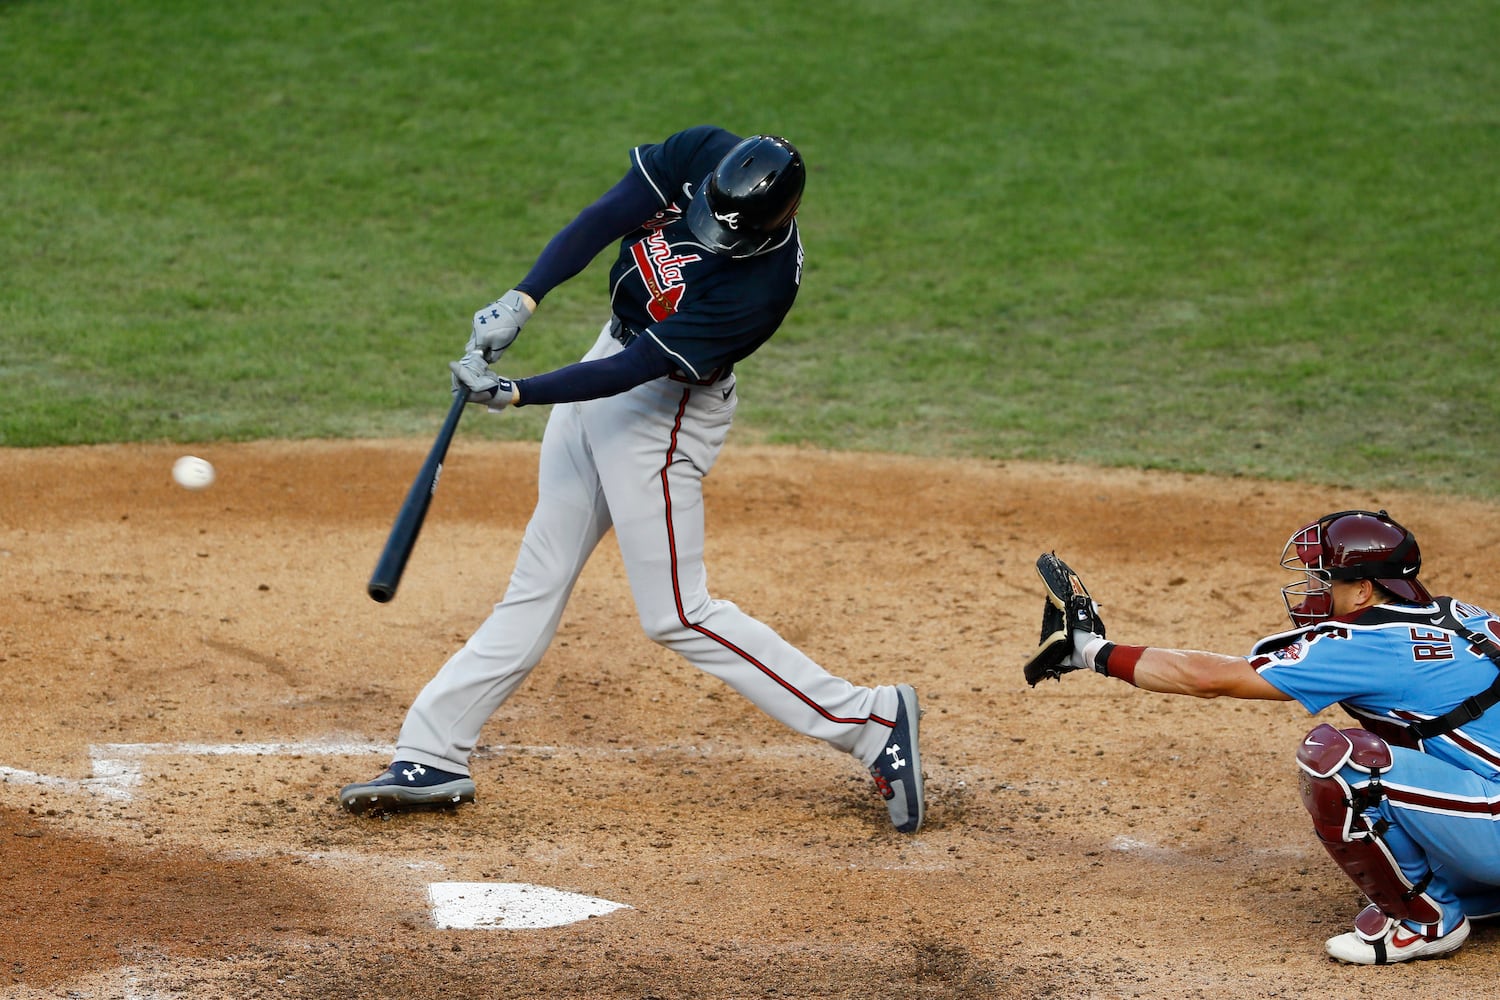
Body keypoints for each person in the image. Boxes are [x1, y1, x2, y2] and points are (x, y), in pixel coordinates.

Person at [339, 126, 924, 833]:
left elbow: (635, 369)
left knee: (678, 612)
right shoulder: (703, 153)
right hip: (604, 362)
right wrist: (522, 298)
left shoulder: (758, 291)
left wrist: (517, 393)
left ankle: (869, 719)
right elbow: (606, 217)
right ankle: (432, 752)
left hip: (662, 415)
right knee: (538, 579)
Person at [1031, 509, 1500, 964]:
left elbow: (1208, 678)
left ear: (1362, 590)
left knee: (1345, 764)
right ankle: (1479, 889)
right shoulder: (1462, 615)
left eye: (1324, 580)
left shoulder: (1369, 645)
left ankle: (1426, 923)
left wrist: (1091, 650)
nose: (1313, 592)